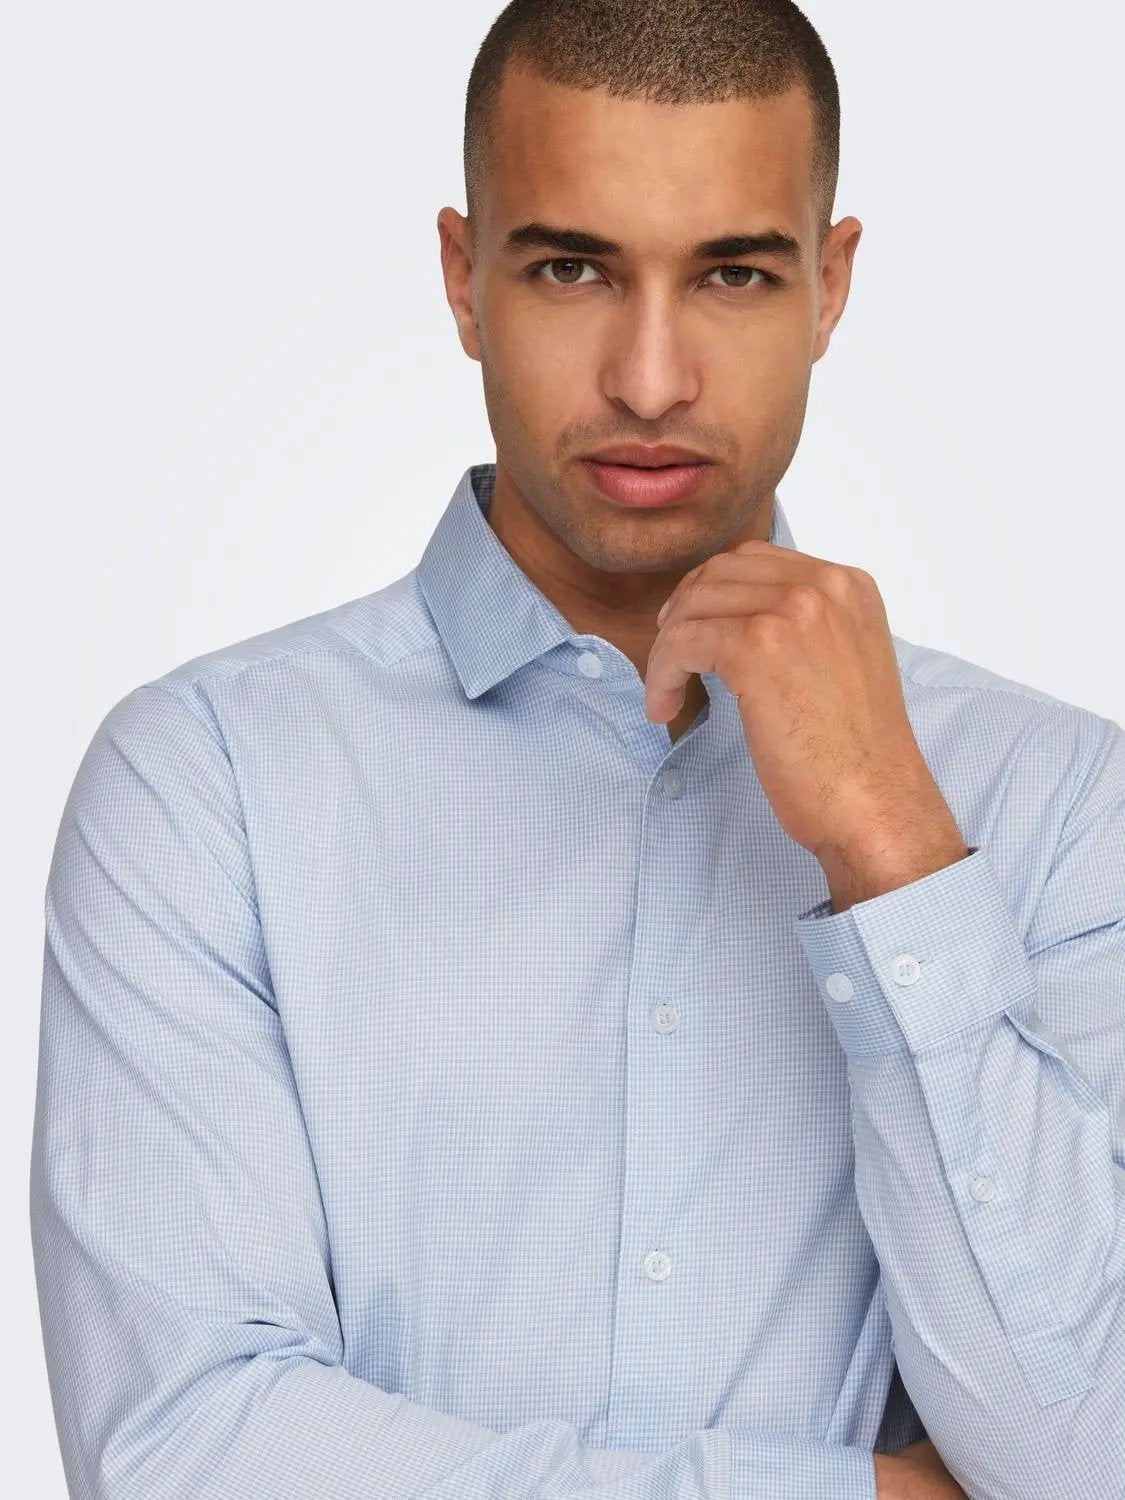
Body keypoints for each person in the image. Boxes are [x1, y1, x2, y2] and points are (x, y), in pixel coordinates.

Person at [29, 1, 1124, 1497]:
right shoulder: (205, 785)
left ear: (830, 286)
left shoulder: (1057, 803)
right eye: (570, 269)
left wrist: (889, 846)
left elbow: (1087, 1455)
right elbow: (185, 1454)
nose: (650, 380)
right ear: (462, 278)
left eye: (733, 273)